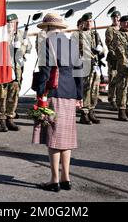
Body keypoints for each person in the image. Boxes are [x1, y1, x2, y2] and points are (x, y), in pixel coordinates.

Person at [32, 13, 83, 192]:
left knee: (53, 138)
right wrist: (79, 95)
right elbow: (79, 73)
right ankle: (66, 178)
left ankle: (54, 180)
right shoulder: (72, 43)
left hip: (53, 93)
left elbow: (45, 73)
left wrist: (40, 94)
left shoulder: (45, 43)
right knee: (66, 139)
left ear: (46, 28)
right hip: (70, 92)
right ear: (60, 28)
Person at [0, 14, 32, 132]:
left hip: (17, 70)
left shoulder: (21, 35)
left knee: (14, 96)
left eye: (12, 23)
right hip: (3, 70)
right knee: (2, 96)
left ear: (17, 23)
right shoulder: (1, 36)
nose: (10, 25)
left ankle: (10, 118)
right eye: (8, 23)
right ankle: (1, 120)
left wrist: (23, 45)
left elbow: (29, 49)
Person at [71, 13, 104, 125]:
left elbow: (101, 47)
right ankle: (84, 113)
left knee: (95, 89)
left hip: (95, 66)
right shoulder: (77, 35)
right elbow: (80, 50)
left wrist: (101, 52)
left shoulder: (96, 34)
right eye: (87, 21)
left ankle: (91, 111)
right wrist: (91, 57)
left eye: (91, 21)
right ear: (83, 22)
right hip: (85, 65)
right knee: (86, 89)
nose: (89, 23)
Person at [105, 10, 121, 110]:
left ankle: (119, 99)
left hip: (122, 58)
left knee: (120, 78)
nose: (116, 19)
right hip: (113, 58)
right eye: (114, 17)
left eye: (117, 17)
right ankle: (112, 99)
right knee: (113, 78)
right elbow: (109, 44)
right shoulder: (110, 30)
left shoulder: (122, 29)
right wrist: (116, 54)